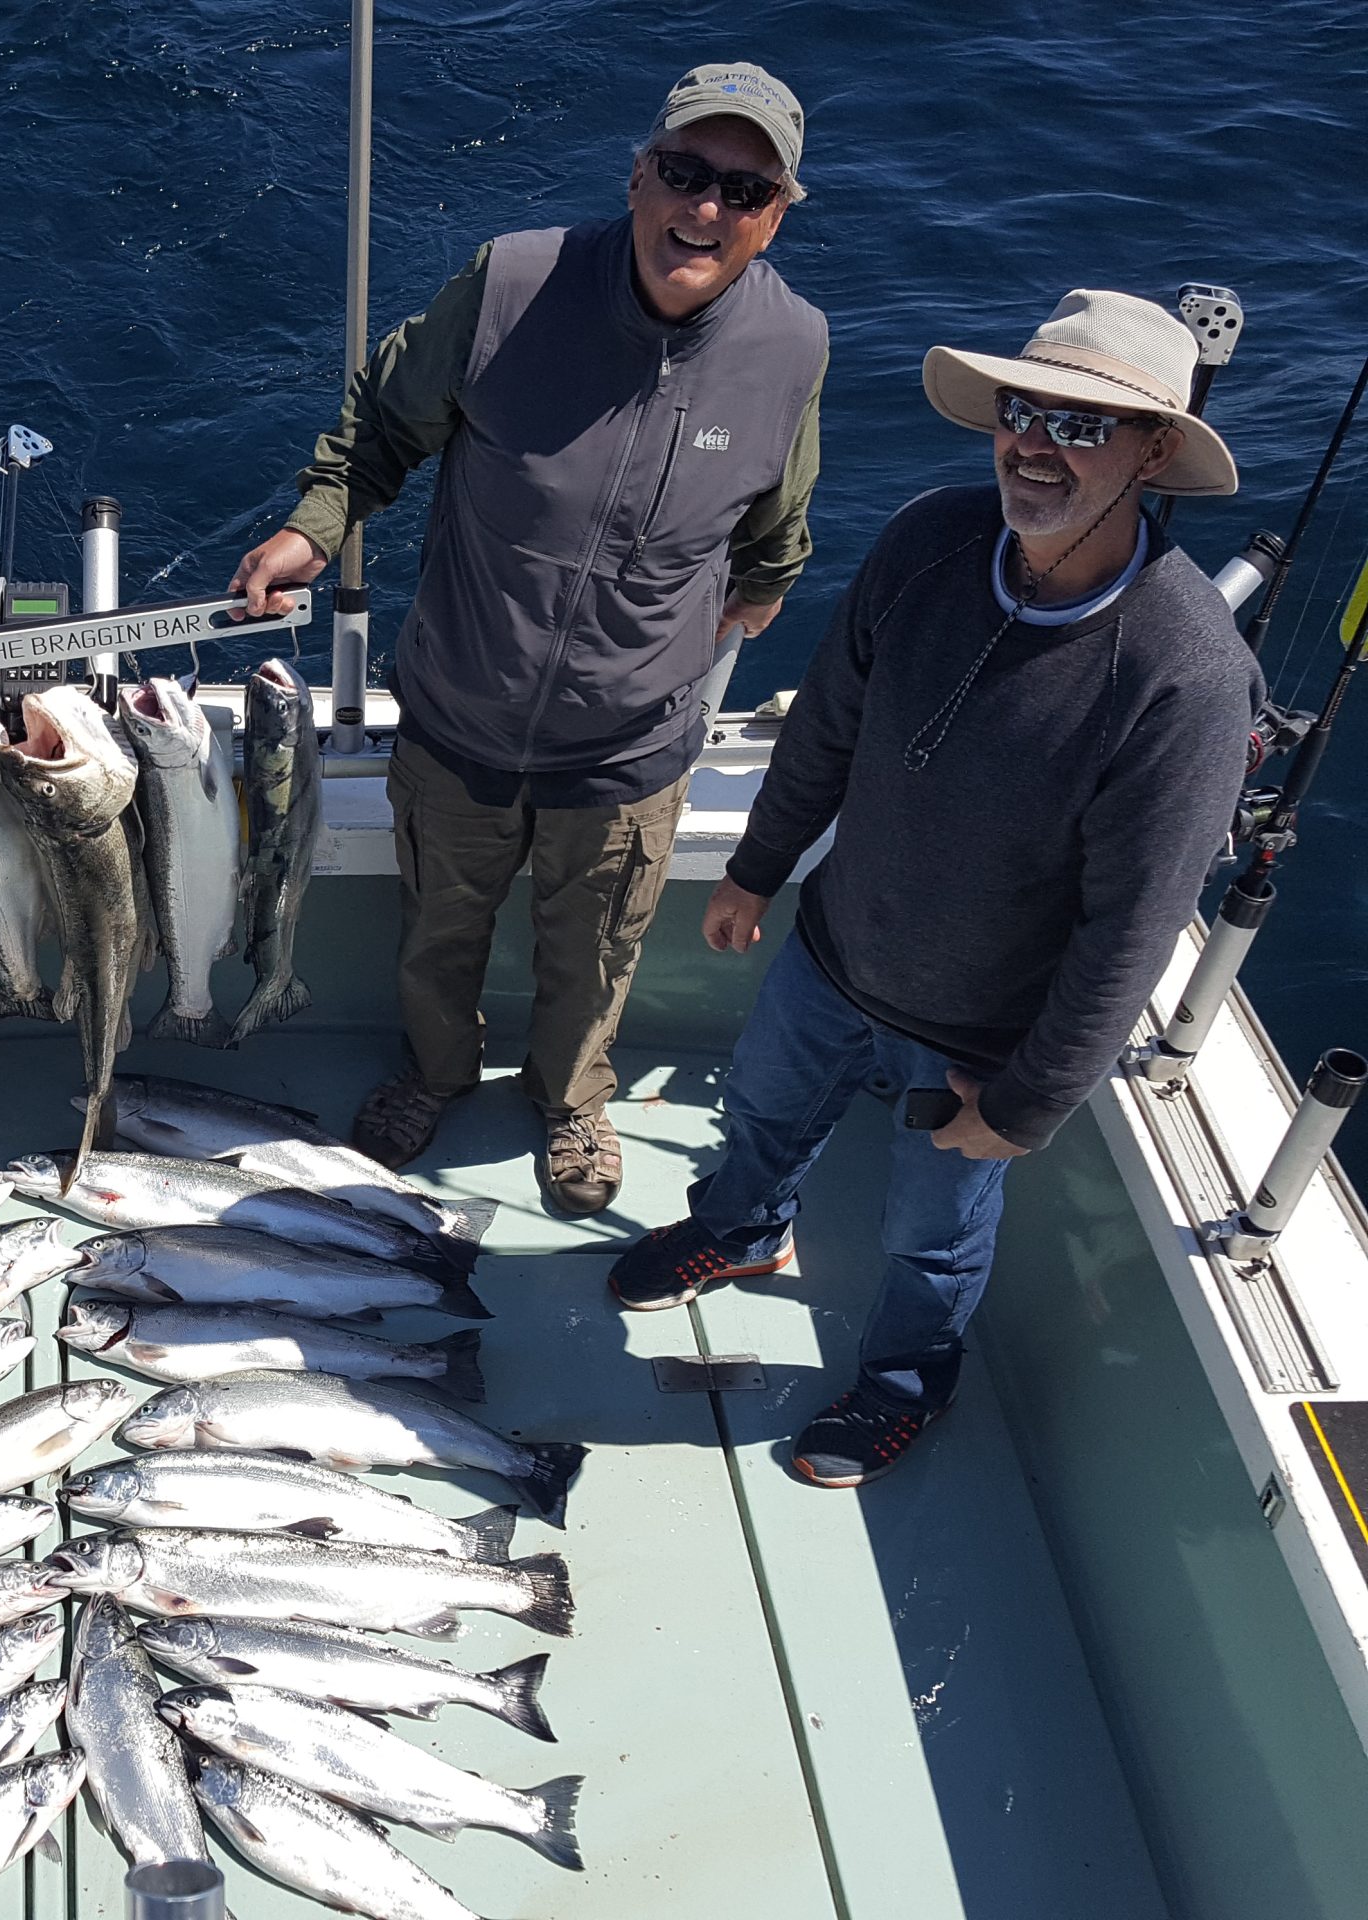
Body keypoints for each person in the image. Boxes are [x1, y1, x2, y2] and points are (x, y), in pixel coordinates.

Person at [607, 289, 1263, 1487]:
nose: (1034, 444)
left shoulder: (1186, 674)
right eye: (1022, 410)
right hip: (834, 949)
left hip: (979, 1036)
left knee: (929, 1238)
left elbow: (1133, 929)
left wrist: (1025, 1103)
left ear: (1154, 452)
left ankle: (906, 1385)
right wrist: (757, 868)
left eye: (1081, 425)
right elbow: (828, 729)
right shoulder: (927, 541)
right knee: (756, 1110)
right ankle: (741, 1233)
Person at [230, 63, 827, 1214]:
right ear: (639, 172)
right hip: (459, 718)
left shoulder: (793, 347)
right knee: (435, 935)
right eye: (684, 172)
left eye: (741, 191)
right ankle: (436, 1071)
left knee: (593, 955)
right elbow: (377, 433)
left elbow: (777, 531)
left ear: (775, 216)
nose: (703, 209)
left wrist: (751, 601)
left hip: (628, 753)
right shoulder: (511, 283)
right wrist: (314, 528)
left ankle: (572, 1099)